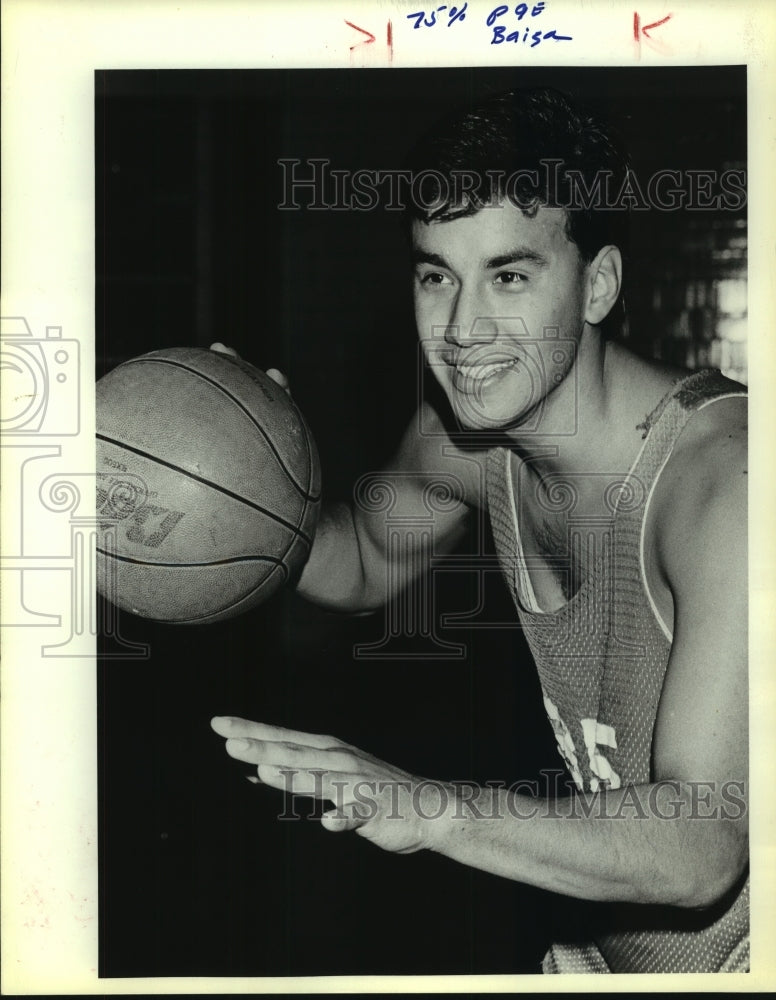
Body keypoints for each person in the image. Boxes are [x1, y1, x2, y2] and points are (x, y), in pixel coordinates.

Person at [210, 87, 749, 974]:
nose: (461, 330)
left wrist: (431, 809)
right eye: (436, 276)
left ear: (598, 284)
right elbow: (360, 559)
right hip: (607, 955)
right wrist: (252, 484)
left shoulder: (724, 482)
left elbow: (703, 842)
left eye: (509, 276)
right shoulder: (466, 442)